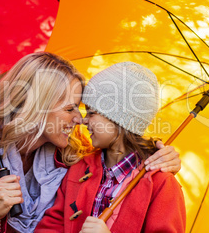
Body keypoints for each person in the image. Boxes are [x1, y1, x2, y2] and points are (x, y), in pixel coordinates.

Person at [0, 53, 181, 233]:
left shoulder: (72, 151)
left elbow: (122, 150)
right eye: (71, 108)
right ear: (38, 107)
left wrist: (159, 153)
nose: (80, 120)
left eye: (87, 111)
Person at [36, 62, 186, 233]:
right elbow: (52, 224)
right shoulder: (79, 168)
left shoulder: (162, 185)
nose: (84, 120)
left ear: (118, 120)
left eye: (92, 113)